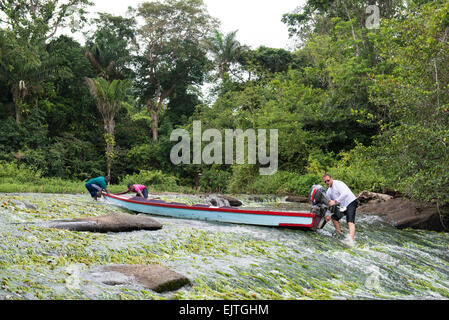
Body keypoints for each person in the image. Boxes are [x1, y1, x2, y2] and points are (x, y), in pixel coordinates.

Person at [322, 174, 358, 241]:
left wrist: (335, 201)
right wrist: (327, 214)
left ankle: (351, 240)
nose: (327, 182)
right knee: (334, 218)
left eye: (328, 180)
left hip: (351, 202)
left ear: (331, 179)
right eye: (325, 182)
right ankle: (340, 234)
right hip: (343, 206)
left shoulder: (338, 183)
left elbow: (345, 193)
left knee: (350, 221)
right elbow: (328, 204)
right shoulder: (328, 192)